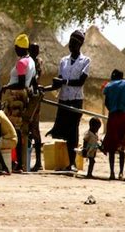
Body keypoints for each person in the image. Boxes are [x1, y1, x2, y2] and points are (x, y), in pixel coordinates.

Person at [44, 30, 90, 171]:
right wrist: (44, 89)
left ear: (80, 44)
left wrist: (64, 81)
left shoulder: (85, 61)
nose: (71, 45)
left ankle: (72, 163)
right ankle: (65, 162)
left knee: (73, 130)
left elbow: (80, 82)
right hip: (63, 99)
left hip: (75, 100)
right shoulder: (63, 61)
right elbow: (58, 83)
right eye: (70, 42)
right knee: (62, 131)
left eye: (74, 43)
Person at [2, 34, 36, 172]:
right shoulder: (31, 61)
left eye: (16, 47)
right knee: (20, 130)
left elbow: (21, 83)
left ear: (19, 48)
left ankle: (19, 163)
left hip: (17, 98)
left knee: (13, 129)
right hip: (24, 96)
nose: (15, 49)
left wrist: (7, 87)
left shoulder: (22, 63)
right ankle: (20, 163)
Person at [102, 69, 125, 180]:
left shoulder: (109, 86)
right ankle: (121, 172)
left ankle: (112, 173)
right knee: (121, 144)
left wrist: (111, 109)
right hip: (124, 115)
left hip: (113, 116)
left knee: (111, 145)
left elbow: (106, 102)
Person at [28, 42, 44, 171]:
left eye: (36, 50)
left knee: (34, 129)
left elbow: (37, 76)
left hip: (33, 99)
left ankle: (38, 161)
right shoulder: (27, 61)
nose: (35, 52)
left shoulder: (37, 62)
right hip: (25, 98)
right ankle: (25, 160)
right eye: (33, 49)